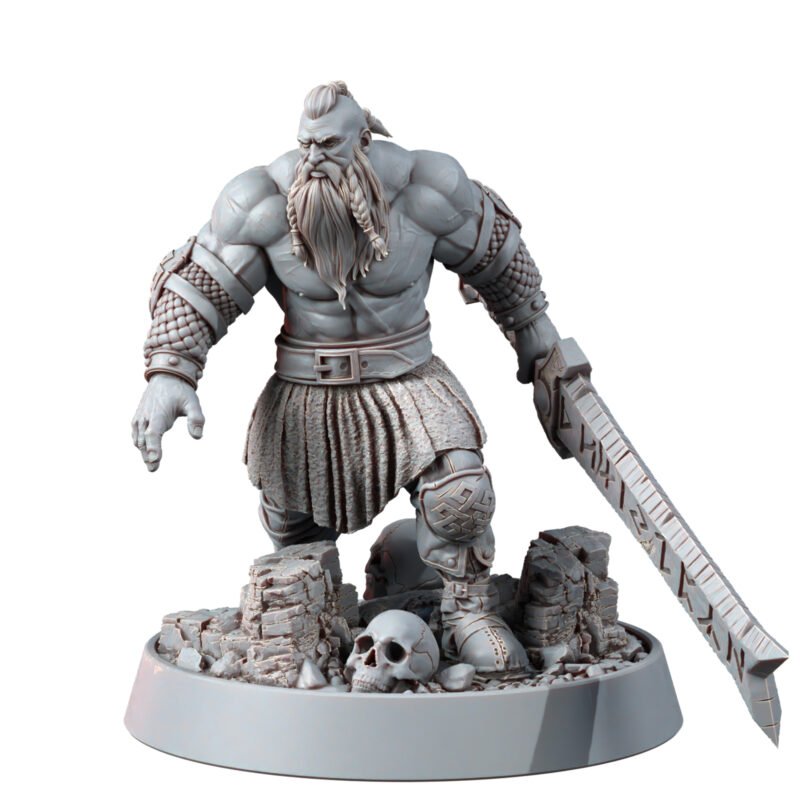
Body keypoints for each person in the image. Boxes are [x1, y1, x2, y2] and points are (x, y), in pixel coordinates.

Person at [132, 81, 561, 673]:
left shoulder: (424, 187)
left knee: (460, 490)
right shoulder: (261, 201)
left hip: (408, 377)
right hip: (307, 386)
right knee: (294, 527)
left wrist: (534, 331)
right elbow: (204, 282)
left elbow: (496, 253)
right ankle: (315, 617)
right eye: (305, 144)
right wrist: (170, 370)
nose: (313, 158)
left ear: (364, 139)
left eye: (329, 144)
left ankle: (465, 612)